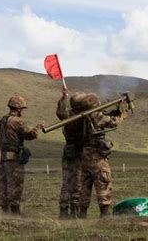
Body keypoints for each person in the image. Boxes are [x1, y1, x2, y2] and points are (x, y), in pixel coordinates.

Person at [78, 93, 127, 218]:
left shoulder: (83, 117)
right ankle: (104, 214)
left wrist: (113, 112)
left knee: (85, 185)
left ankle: (82, 214)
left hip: (85, 155)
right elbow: (112, 122)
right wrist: (122, 115)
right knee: (103, 181)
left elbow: (106, 118)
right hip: (96, 156)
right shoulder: (95, 115)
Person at [0, 95, 45, 215]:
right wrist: (38, 127)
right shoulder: (17, 121)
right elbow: (29, 135)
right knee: (16, 183)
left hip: (3, 157)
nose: (22, 111)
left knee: (4, 183)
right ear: (18, 109)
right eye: (22, 109)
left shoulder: (2, 121)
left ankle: (5, 210)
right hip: (13, 158)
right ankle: (15, 210)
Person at [56, 87, 86, 219]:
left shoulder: (68, 116)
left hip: (68, 151)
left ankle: (63, 210)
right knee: (78, 182)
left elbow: (60, 111)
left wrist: (64, 97)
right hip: (79, 152)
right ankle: (74, 210)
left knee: (67, 181)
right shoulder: (84, 117)